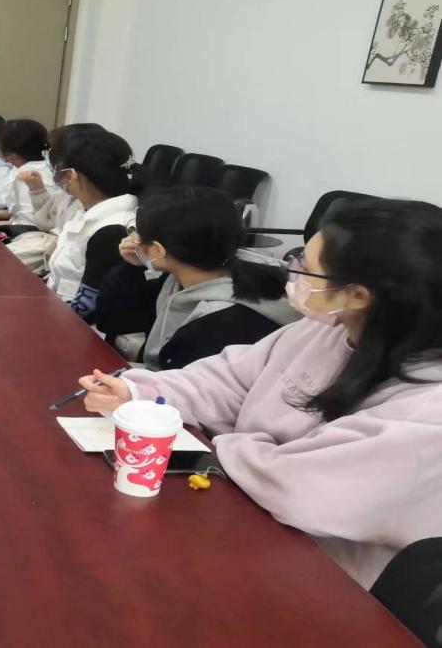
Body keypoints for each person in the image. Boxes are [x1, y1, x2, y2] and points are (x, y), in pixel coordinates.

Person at [79, 198, 442, 590]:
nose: (293, 273)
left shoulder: (427, 412)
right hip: (243, 513)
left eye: (307, 268)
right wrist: (140, 391)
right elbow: (230, 378)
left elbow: (300, 491)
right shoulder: (327, 328)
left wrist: (226, 443)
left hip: (324, 580)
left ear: (357, 296)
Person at [95, 185, 299, 369]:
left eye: (137, 233)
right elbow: (114, 321)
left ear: (158, 250)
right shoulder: (184, 276)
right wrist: (132, 266)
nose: (132, 239)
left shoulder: (219, 324)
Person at [44, 129, 141, 321]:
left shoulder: (113, 231)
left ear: (69, 175)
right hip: (56, 307)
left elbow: (89, 307)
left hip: (76, 324)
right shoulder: (86, 210)